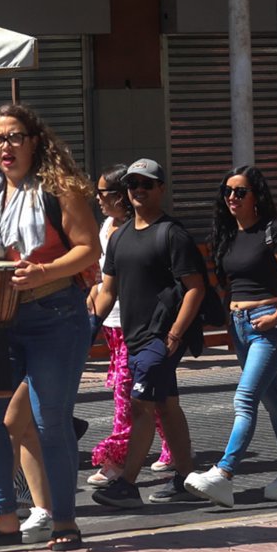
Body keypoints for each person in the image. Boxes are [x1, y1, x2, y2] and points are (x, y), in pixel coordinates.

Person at [0, 103, 99, 551]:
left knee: (49, 420)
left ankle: (64, 521)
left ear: (35, 141)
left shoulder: (61, 189)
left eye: (15, 136)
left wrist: (44, 272)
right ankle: (2, 514)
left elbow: (89, 250)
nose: (6, 146)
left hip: (55, 315)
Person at [183, 165, 277, 508]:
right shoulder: (227, 235)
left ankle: (224, 472)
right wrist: (231, 325)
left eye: (240, 191)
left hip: (267, 323)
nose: (232, 197)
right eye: (228, 191)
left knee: (245, 398)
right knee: (273, 399)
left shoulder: (273, 231)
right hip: (239, 325)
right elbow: (229, 285)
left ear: (257, 196)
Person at [90, 158, 201, 510]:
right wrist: (88, 327)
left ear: (161, 189)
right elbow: (108, 291)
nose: (139, 190)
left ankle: (127, 484)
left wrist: (174, 334)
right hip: (133, 336)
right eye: (133, 184)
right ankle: (185, 479)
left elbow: (195, 288)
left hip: (160, 337)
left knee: (141, 406)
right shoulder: (119, 235)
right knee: (167, 407)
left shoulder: (172, 233)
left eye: (147, 184)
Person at [86, 163, 173, 487]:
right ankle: (173, 448)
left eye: (103, 192)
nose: (98, 198)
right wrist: (91, 311)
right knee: (149, 393)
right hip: (110, 324)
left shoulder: (140, 231)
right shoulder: (107, 226)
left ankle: (116, 461)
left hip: (136, 326)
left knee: (127, 394)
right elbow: (102, 279)